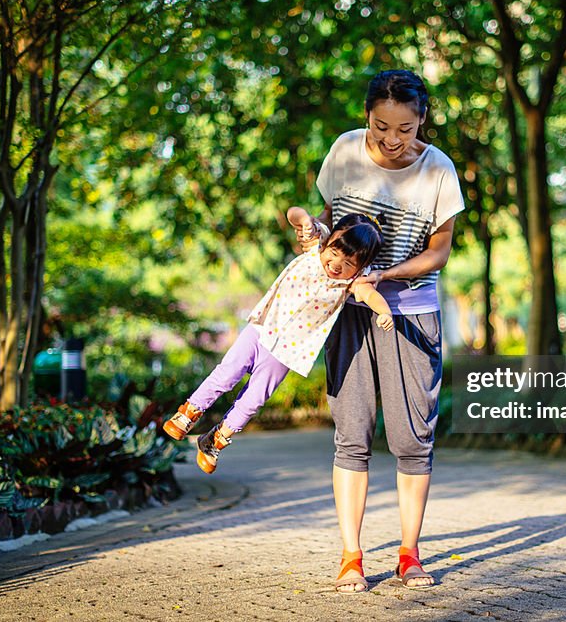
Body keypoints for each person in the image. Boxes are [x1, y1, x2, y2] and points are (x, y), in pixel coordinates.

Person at [302, 70, 464, 593]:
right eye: (381, 127)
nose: (393, 140)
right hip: (348, 311)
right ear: (366, 117)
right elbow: (328, 224)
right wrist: (313, 232)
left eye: (406, 128)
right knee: (351, 436)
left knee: (412, 439)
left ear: (422, 119)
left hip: (412, 314)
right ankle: (351, 556)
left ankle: (408, 553)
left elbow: (439, 249)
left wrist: (387, 274)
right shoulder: (345, 151)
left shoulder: (439, 169)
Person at [161, 208, 394, 474]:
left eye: (349, 263)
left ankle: (215, 440)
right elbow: (294, 214)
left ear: (360, 268)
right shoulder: (316, 244)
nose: (337, 264)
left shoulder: (351, 282)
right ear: (329, 242)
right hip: (262, 329)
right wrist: (305, 220)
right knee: (227, 374)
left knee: (253, 400)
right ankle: (188, 413)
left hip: (288, 353)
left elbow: (369, 294)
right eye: (335, 253)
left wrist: (383, 311)